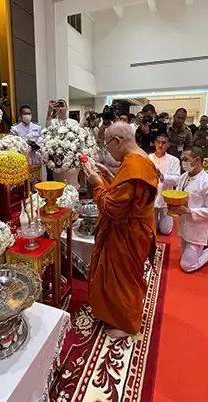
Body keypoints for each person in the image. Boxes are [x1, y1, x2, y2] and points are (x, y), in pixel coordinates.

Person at [81, 122, 159, 338]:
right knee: (120, 277)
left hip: (128, 233)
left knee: (123, 279)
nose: (108, 151)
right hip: (133, 226)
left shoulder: (134, 166)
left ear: (117, 141)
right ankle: (115, 312)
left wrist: (96, 183)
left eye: (107, 145)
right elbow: (126, 195)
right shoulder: (141, 157)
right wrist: (108, 176)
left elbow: (112, 208)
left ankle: (128, 324)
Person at [168, 147, 208, 272]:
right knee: (185, 256)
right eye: (182, 159)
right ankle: (202, 250)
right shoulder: (184, 177)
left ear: (197, 160)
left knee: (187, 266)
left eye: (186, 159)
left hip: (199, 230)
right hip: (184, 226)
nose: (183, 162)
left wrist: (188, 211)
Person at [149, 135, 181, 235]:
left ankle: (160, 219)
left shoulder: (174, 160)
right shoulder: (147, 158)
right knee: (151, 230)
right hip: (151, 199)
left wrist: (162, 176)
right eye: (158, 142)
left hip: (166, 199)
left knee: (165, 231)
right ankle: (155, 219)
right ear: (154, 143)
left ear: (168, 144)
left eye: (163, 143)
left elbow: (176, 180)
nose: (160, 145)